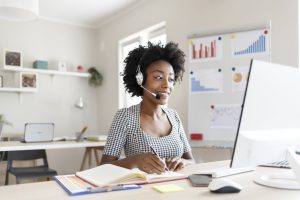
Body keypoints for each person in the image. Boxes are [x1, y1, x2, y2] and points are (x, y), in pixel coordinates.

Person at [100, 42, 194, 174]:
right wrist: (135, 161)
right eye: (158, 77)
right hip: (143, 192)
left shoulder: (173, 116)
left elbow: (191, 161)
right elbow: (104, 167)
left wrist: (183, 162)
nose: (167, 84)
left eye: (171, 79)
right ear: (140, 79)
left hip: (176, 189)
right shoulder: (125, 117)